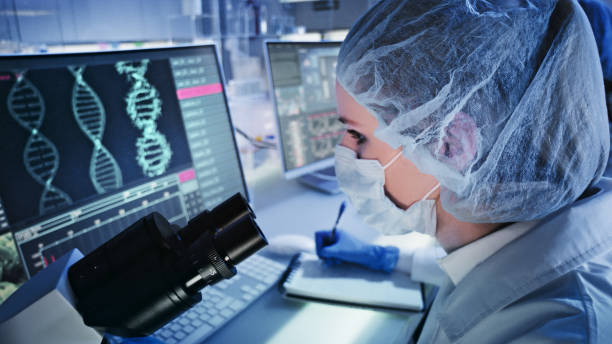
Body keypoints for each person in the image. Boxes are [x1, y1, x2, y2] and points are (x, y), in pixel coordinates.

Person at [315, 0, 612, 342]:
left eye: (357, 135)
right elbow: (483, 274)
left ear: (450, 144)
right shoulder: (508, 233)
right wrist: (382, 256)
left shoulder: (551, 331)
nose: (345, 153)